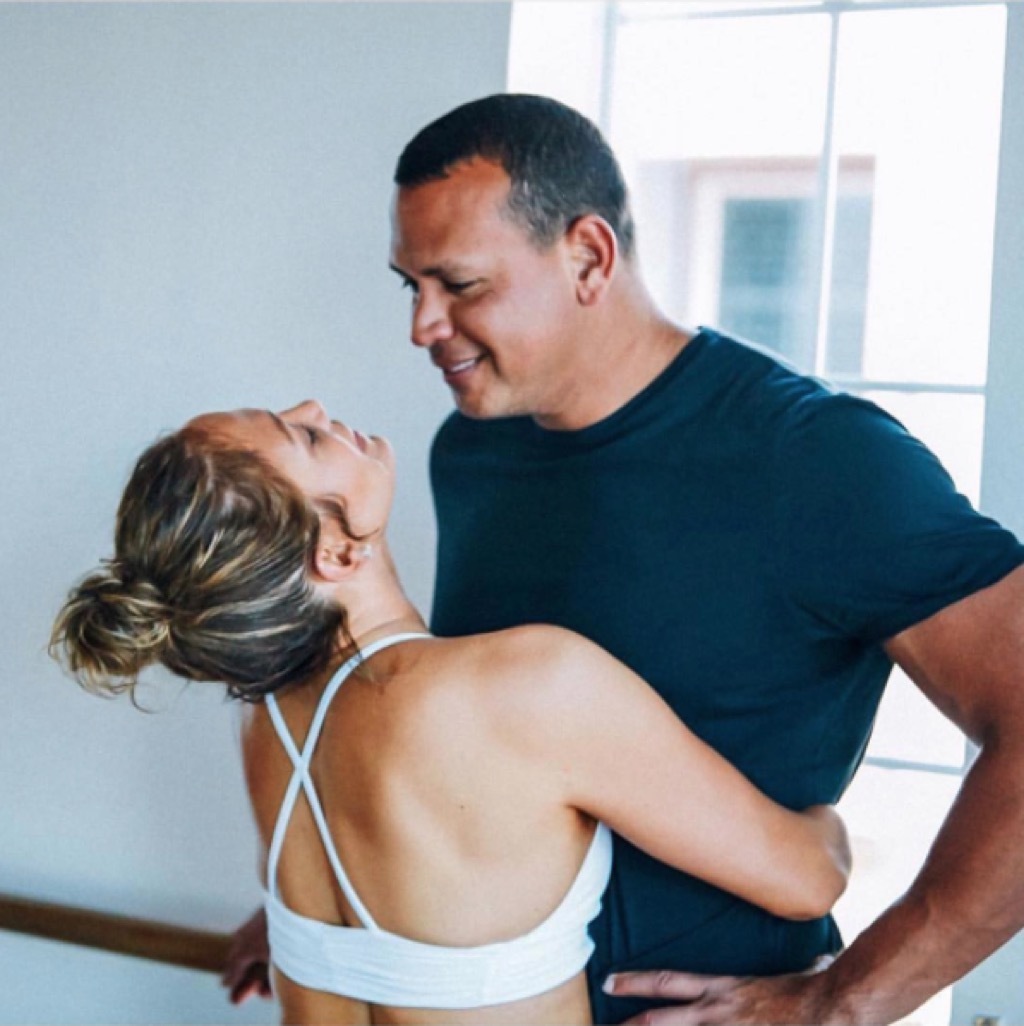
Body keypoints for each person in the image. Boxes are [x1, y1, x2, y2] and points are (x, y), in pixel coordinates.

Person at [387, 95, 1024, 1024]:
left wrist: (843, 1004)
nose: (421, 324)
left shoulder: (816, 458)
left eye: (461, 285)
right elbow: (472, 752)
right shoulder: (474, 448)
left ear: (589, 257)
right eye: (411, 286)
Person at [50, 400, 851, 1026]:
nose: (317, 407)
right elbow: (807, 880)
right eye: (304, 436)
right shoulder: (524, 685)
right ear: (335, 554)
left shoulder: (269, 727)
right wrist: (838, 827)